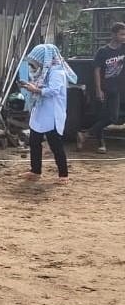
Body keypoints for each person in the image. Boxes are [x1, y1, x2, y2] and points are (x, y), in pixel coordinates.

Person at [20, 44, 76, 183]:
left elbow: (53, 91)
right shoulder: (43, 72)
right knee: (34, 141)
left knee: (55, 145)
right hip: (40, 111)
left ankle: (63, 175)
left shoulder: (57, 72)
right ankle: (35, 171)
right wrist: (29, 87)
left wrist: (36, 90)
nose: (34, 64)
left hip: (52, 113)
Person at [79, 20, 125, 153]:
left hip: (115, 89)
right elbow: (97, 70)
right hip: (103, 88)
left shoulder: (123, 48)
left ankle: (85, 135)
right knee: (100, 116)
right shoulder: (102, 51)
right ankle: (101, 144)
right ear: (113, 35)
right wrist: (98, 89)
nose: (124, 37)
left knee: (113, 117)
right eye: (122, 34)